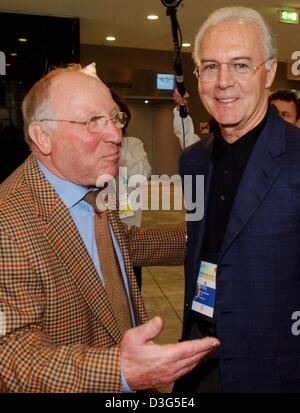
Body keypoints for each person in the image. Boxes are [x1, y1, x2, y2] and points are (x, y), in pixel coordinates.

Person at [0, 63, 219, 393]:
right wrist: (119, 371)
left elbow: (122, 246)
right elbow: (10, 356)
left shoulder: (90, 188)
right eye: (92, 122)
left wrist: (211, 233)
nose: (116, 135)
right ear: (43, 136)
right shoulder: (9, 220)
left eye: (115, 118)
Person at [174, 6, 300, 393]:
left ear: (269, 72)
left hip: (276, 368)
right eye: (210, 67)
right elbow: (200, 242)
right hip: (199, 360)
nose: (223, 82)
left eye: (241, 65)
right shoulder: (192, 161)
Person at [111, 92, 151, 289]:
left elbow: (142, 173)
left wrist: (115, 147)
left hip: (129, 228)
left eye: (118, 116)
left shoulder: (132, 144)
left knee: (132, 287)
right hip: (100, 229)